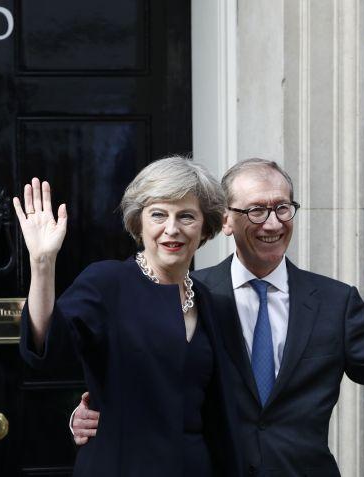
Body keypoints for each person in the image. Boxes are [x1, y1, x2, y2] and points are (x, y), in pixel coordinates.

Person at [71, 157, 364, 476]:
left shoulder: (333, 302)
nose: (274, 223)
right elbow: (149, 381)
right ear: (224, 219)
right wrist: (90, 413)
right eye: (257, 211)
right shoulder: (192, 296)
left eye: (283, 208)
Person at [15, 157, 241, 477]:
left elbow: (220, 414)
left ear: (206, 226)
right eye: (158, 214)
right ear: (139, 222)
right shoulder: (107, 283)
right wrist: (42, 264)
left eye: (186, 216)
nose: (171, 229)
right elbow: (46, 349)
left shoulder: (212, 305)